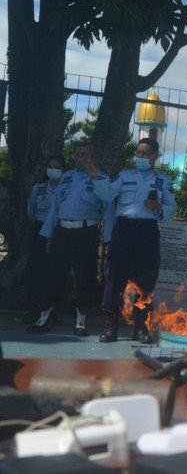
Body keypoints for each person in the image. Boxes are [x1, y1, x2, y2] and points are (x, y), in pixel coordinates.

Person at [88, 138, 176, 343]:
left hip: (147, 232)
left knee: (145, 281)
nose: (140, 157)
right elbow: (107, 193)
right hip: (124, 230)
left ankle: (141, 328)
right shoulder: (125, 176)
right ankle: (110, 327)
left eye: (145, 153)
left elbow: (171, 207)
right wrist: (95, 177)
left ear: (155, 156)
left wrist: (158, 208)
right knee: (114, 278)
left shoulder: (164, 180)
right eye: (138, 153)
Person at [28, 142, 109, 337]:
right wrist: (48, 236)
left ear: (93, 156)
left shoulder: (102, 178)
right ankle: (45, 317)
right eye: (77, 154)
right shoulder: (66, 177)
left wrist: (108, 240)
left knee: (84, 277)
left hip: (85, 232)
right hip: (62, 232)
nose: (81, 157)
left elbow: (108, 211)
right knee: (53, 276)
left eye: (85, 154)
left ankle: (81, 320)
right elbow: (55, 209)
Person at [18, 155, 66, 324]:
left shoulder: (66, 188)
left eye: (56, 167)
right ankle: (33, 310)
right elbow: (31, 211)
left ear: (63, 170)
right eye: (50, 166)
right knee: (36, 271)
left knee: (56, 272)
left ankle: (53, 311)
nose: (53, 170)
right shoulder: (38, 188)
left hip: (60, 231)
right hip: (40, 230)